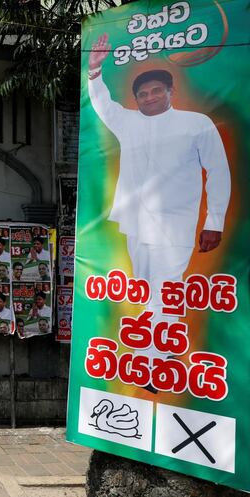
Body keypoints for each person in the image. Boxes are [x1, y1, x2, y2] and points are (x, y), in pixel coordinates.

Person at [88, 33, 230, 345]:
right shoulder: (128, 122)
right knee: (144, 289)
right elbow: (103, 105)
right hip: (137, 223)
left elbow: (218, 171)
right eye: (142, 94)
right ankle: (153, 355)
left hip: (175, 223)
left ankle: (158, 359)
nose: (149, 97)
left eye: (156, 91)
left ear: (170, 91)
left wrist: (214, 222)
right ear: (136, 99)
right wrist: (95, 71)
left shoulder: (196, 123)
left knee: (167, 289)